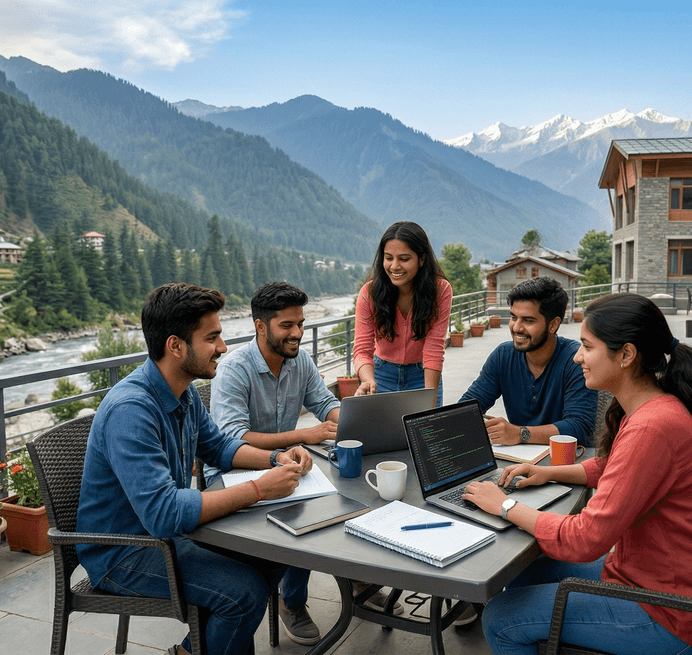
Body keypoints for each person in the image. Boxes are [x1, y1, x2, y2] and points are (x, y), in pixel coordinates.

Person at [464, 293, 692, 655]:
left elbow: (585, 539)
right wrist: (550, 473)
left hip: (672, 614)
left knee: (501, 619)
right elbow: (614, 467)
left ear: (626, 355)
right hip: (651, 576)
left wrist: (505, 506)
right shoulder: (652, 407)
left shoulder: (652, 427)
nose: (577, 357)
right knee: (524, 575)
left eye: (587, 347)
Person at [77, 283, 313, 655]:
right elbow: (165, 513)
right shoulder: (131, 410)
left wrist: (274, 458)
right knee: (244, 595)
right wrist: (260, 489)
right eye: (212, 337)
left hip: (164, 536)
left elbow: (218, 446)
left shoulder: (181, 390)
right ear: (176, 346)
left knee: (274, 556)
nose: (222, 347)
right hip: (123, 552)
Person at [208, 282, 339, 646]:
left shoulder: (301, 361)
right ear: (260, 326)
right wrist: (304, 438)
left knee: (335, 493)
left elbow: (325, 403)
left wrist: (350, 420)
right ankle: (292, 601)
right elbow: (231, 439)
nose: (297, 332)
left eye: (300, 323)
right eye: (287, 325)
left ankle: (354, 579)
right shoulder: (234, 368)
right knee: (307, 507)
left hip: (281, 465)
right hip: (230, 475)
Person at [459, 277, 597, 447]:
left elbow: (580, 428)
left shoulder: (575, 360)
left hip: (564, 463)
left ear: (553, 324)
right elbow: (468, 407)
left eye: (528, 320)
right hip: (518, 461)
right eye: (513, 317)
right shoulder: (503, 355)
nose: (517, 327)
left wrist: (520, 433)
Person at [353, 220, 451, 405]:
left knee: (426, 432)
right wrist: (368, 380)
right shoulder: (369, 293)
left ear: (421, 258)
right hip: (380, 374)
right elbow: (362, 349)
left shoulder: (440, 290)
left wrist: (429, 400)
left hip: (423, 375)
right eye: (388, 258)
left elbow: (434, 349)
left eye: (404, 259)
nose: (394, 266)